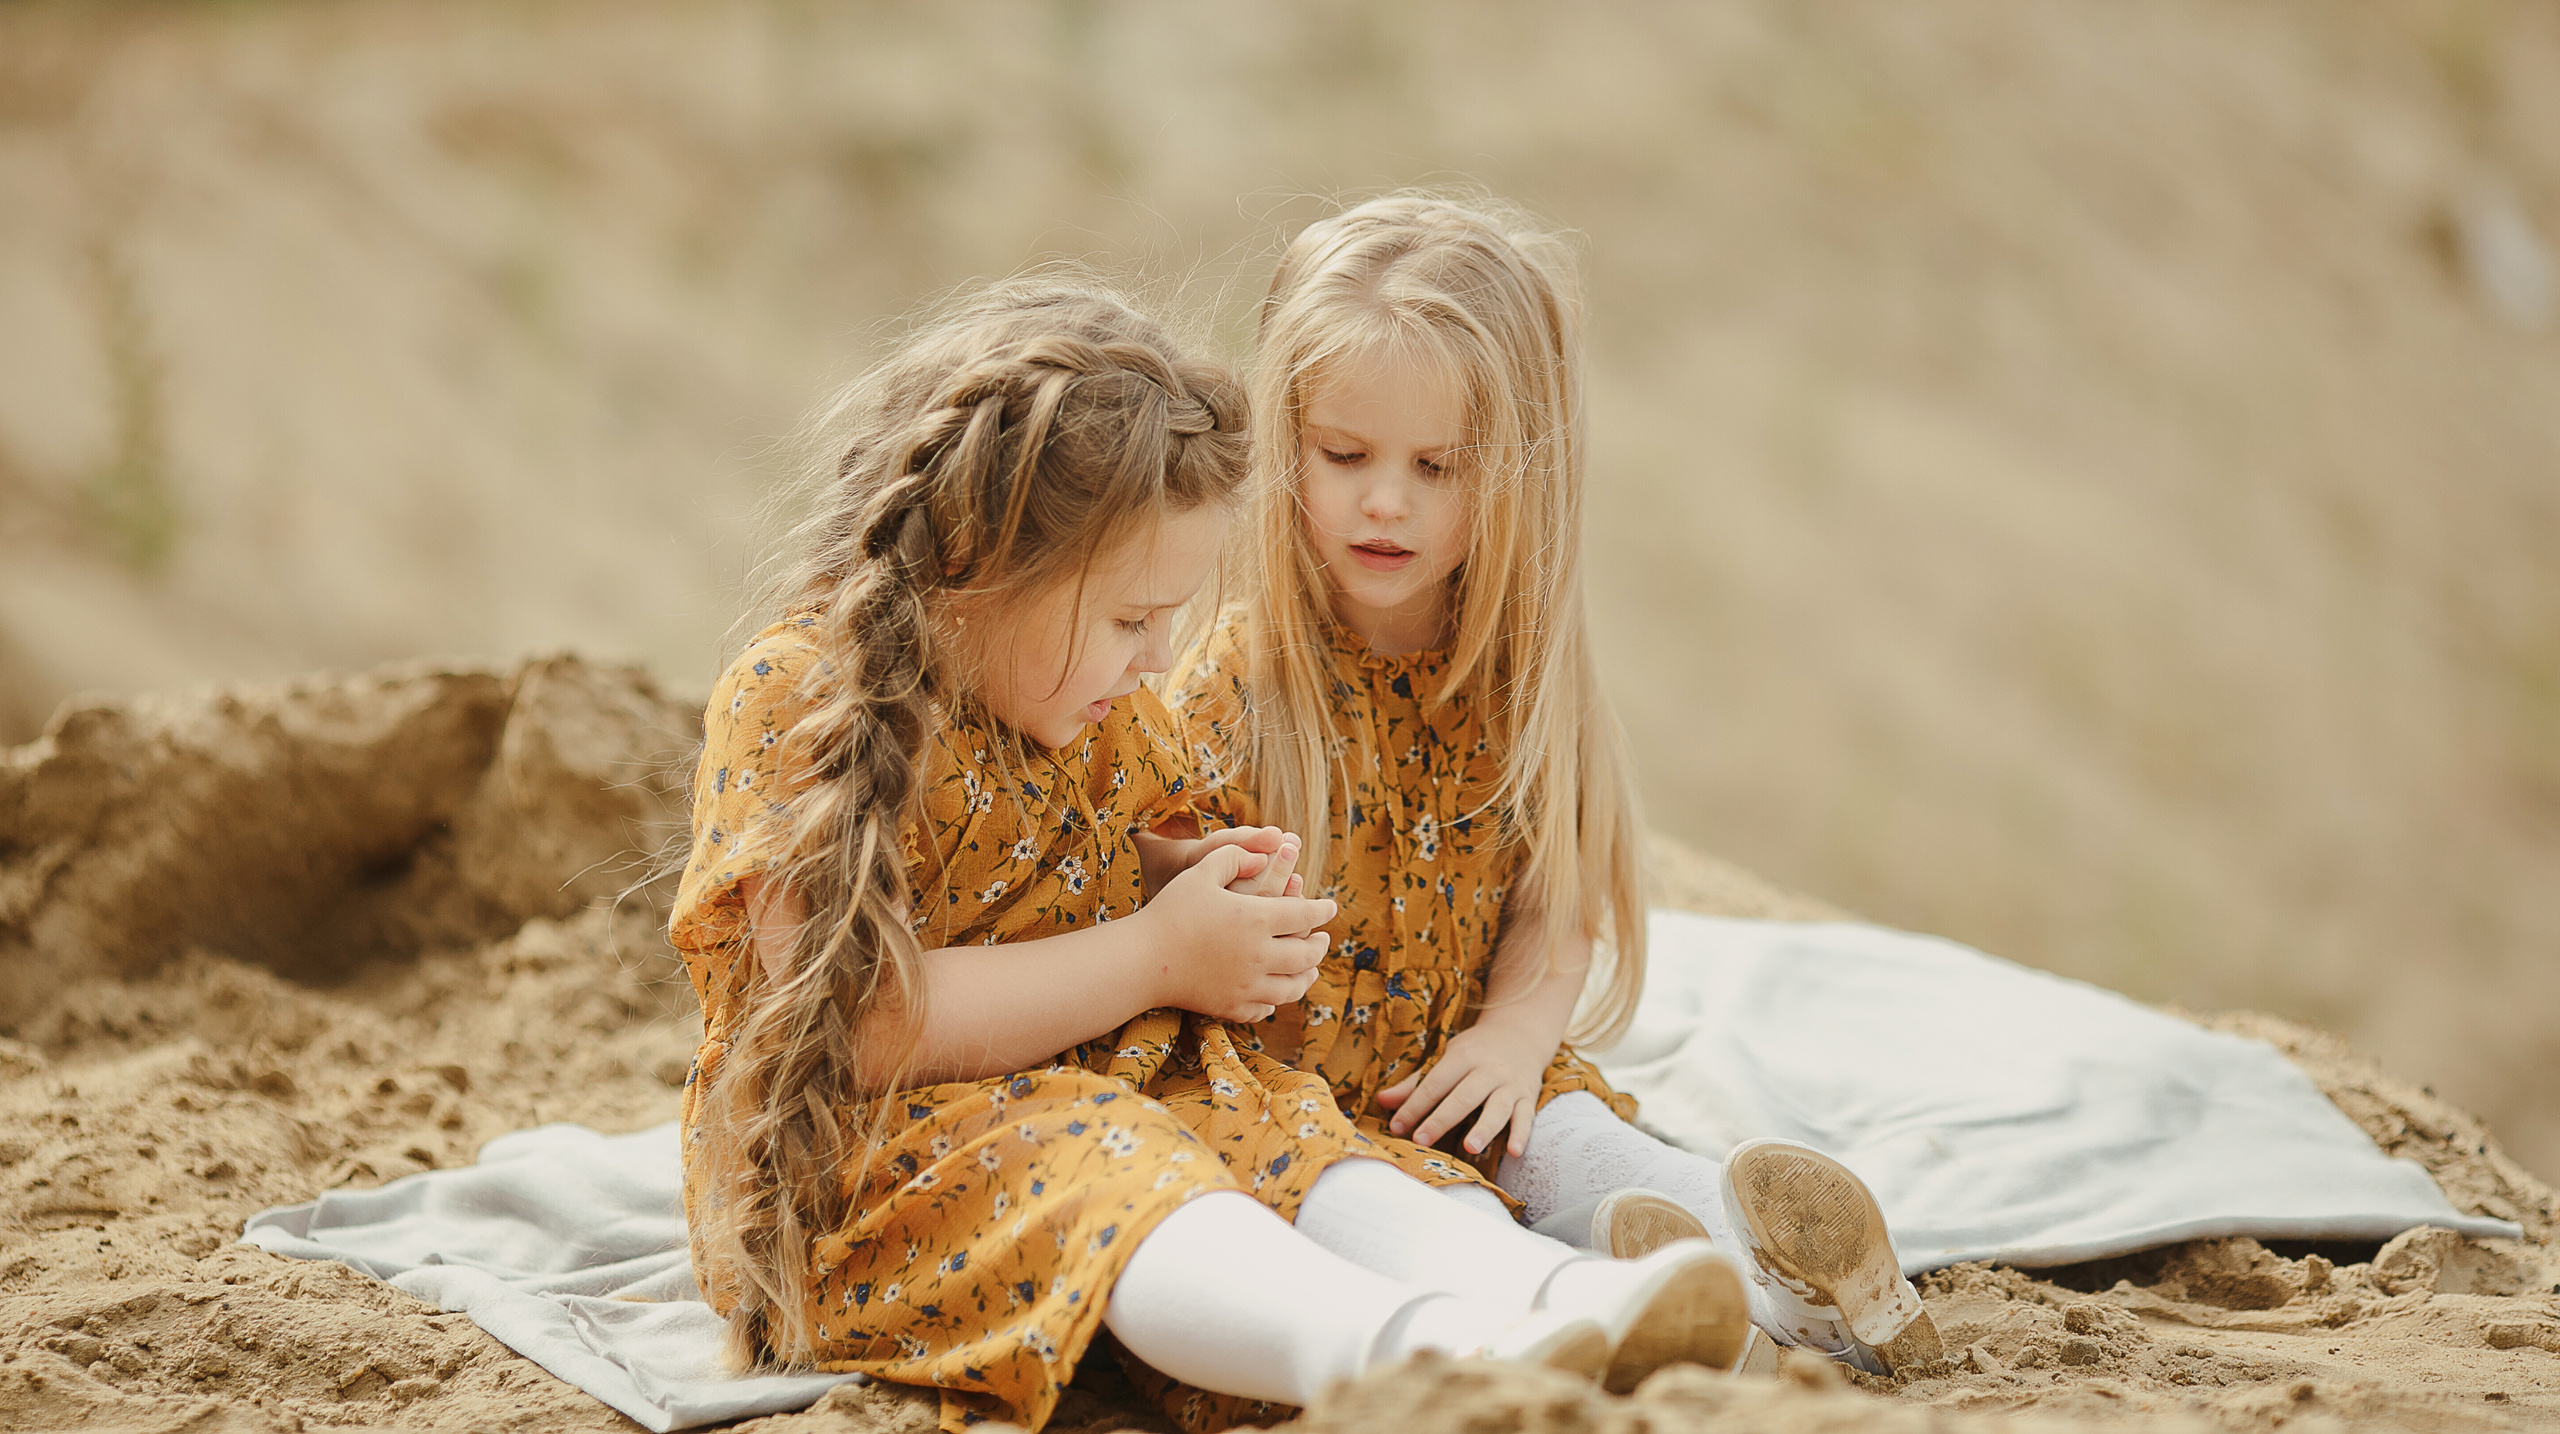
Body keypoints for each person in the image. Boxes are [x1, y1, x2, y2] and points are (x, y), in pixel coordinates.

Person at [668, 277, 1755, 1434]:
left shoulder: (1098, 710)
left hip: (1077, 1093)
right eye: (1134, 618)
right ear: (980, 567)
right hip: (868, 1168)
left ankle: (1552, 1296)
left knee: (1278, 1130)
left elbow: (1068, 870)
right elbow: (859, 1019)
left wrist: (1194, 888)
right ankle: (1423, 1352)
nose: (1156, 659)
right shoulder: (802, 702)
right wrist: (1151, 954)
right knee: (1116, 1157)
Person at [1167, 195, 1941, 1375]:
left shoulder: (1512, 670)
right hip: (1307, 1109)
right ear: (1285, 442)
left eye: (1438, 467)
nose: (1386, 500)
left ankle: (1791, 1275)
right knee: (1455, 1219)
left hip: (1471, 1065)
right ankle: (1636, 1306)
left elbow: (1555, 896)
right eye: (1345, 456)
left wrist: (1520, 1031)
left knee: (1577, 1142)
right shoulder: (1239, 678)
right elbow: (1146, 870)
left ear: (1519, 469)